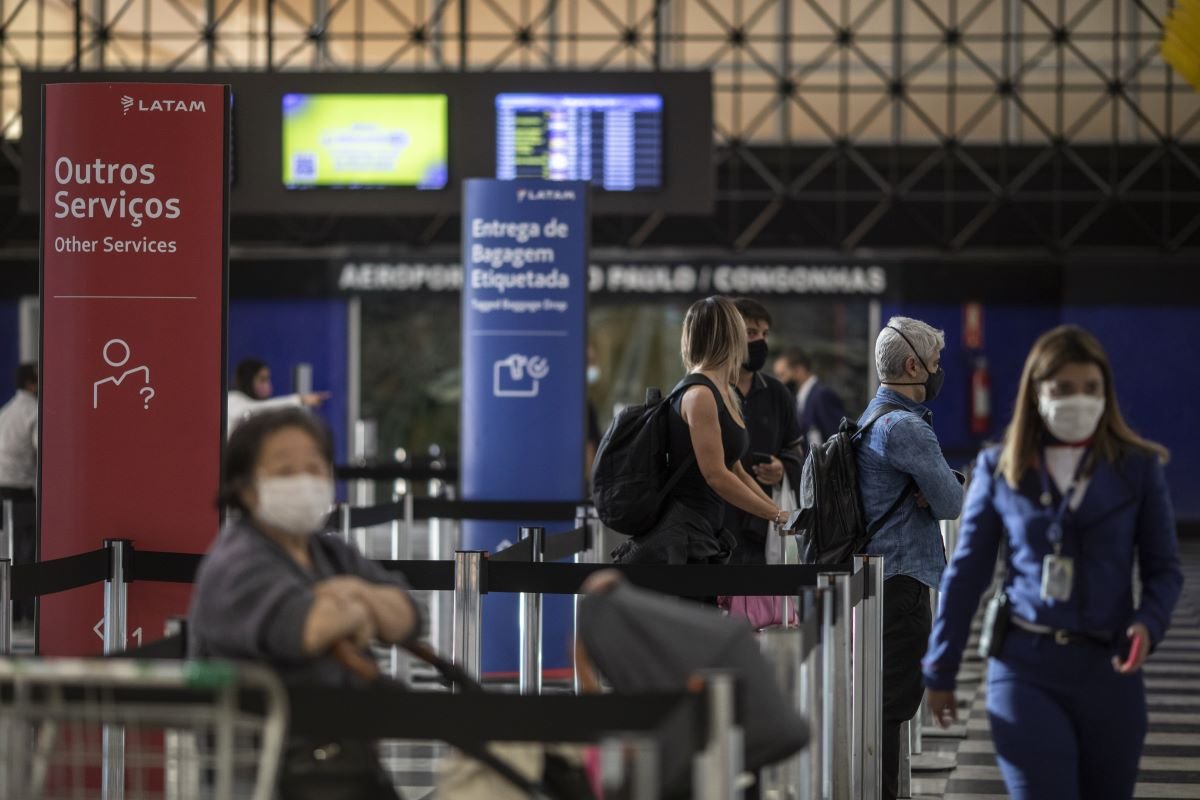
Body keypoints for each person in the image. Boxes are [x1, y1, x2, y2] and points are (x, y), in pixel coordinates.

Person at [923, 326, 1183, 800]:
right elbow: (966, 574)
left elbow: (1165, 568)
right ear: (1037, 393)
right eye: (1062, 389)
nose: (1077, 400)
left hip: (1111, 670)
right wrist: (940, 669)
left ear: (1106, 395)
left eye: (1090, 389)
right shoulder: (1002, 468)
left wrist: (1149, 622)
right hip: (1026, 667)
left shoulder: (1137, 468)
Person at [189, 407, 420, 684]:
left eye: (314, 468)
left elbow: (410, 616)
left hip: (351, 718)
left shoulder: (327, 550)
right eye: (284, 471)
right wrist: (368, 609)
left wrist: (353, 591)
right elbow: (311, 628)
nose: (303, 482)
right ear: (244, 489)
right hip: (276, 723)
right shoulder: (236, 563)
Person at [857, 317, 965, 800]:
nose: (939, 372)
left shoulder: (873, 415)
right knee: (890, 707)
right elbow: (951, 503)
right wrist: (944, 483)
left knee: (882, 705)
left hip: (877, 577)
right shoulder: (905, 427)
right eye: (936, 363)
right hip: (901, 580)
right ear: (911, 365)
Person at [613, 296, 789, 567]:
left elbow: (736, 469)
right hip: (685, 537)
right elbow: (715, 474)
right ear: (728, 335)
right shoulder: (700, 395)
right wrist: (777, 515)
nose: (750, 341)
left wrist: (777, 512)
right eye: (742, 331)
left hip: (706, 531)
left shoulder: (722, 391)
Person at [723, 298, 805, 565]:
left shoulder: (777, 392)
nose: (760, 341)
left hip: (766, 526)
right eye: (750, 333)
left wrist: (782, 467)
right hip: (719, 523)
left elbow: (796, 451)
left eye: (764, 334)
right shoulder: (711, 391)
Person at [0, 363, 38, 623]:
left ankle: (10, 613)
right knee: (26, 552)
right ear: (30, 383)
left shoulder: (6, 411)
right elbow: (42, 450)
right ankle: (26, 612)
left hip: (2, 487)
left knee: (8, 550)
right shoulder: (33, 412)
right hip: (22, 490)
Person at [227, 358, 329, 437]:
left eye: (268, 379)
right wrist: (299, 400)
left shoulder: (264, 415)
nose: (267, 385)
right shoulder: (232, 399)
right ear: (248, 380)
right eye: (262, 379)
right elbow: (251, 410)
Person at [773, 346, 846, 449]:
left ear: (799, 370)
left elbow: (838, 441)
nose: (780, 382)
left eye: (782, 375)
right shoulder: (798, 400)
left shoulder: (822, 396)